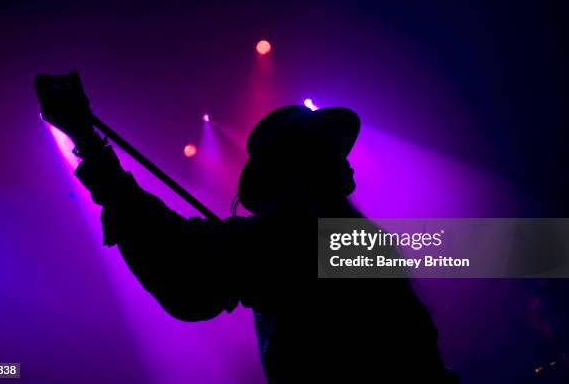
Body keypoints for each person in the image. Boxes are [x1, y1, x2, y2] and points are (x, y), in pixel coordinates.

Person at [35, 70, 458, 383]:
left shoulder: (312, 244)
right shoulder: (303, 244)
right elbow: (185, 266)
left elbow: (183, 269)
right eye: (328, 152)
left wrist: (87, 140)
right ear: (300, 171)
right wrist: (88, 141)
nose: (345, 158)